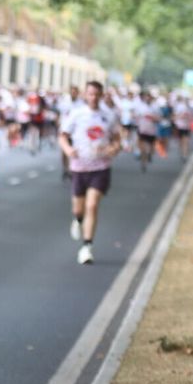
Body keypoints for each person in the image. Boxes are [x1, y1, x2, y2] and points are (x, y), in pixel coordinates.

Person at [60, 80, 123, 265]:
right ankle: (78, 219)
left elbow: (117, 139)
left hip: (100, 167)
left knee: (92, 206)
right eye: (90, 94)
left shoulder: (109, 116)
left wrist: (114, 148)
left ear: (102, 96)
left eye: (97, 94)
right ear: (85, 95)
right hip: (79, 167)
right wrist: (68, 150)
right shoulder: (77, 114)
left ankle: (87, 247)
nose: (93, 98)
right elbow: (63, 135)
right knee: (78, 209)